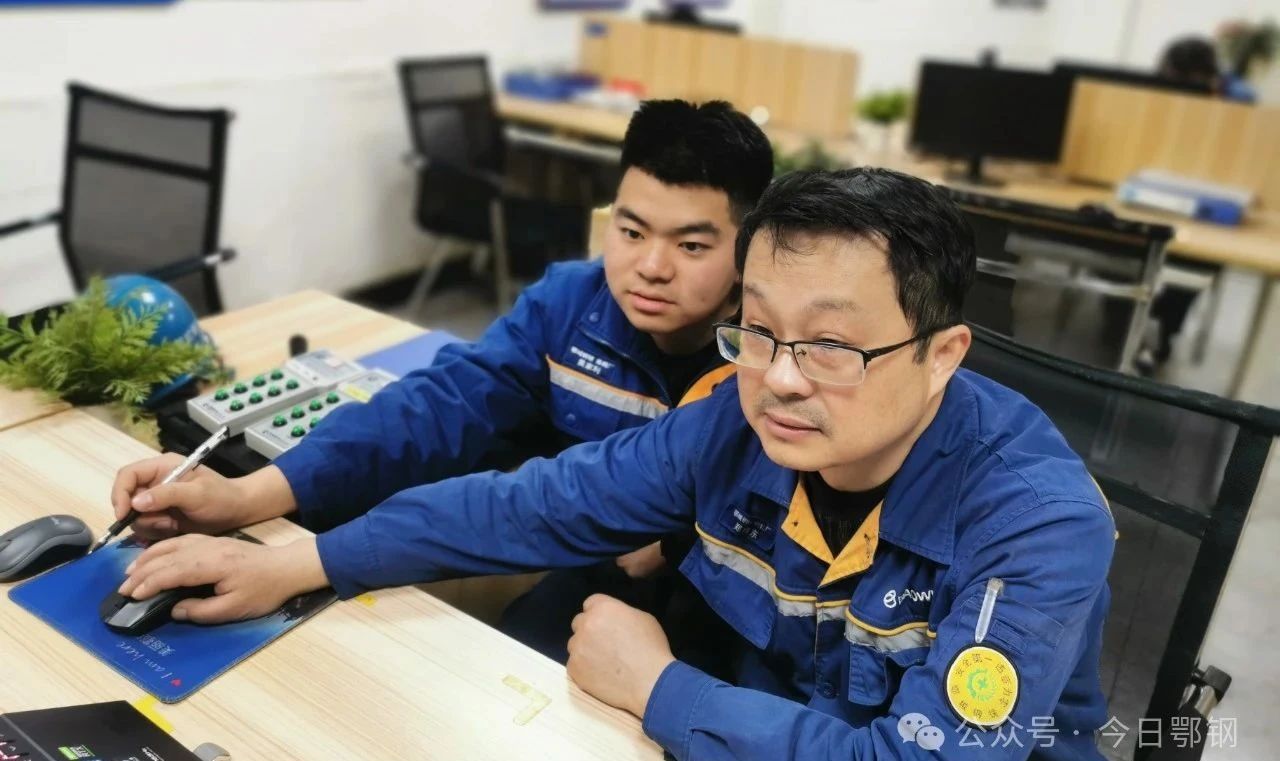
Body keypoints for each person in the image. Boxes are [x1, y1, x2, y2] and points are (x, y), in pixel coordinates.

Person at [115, 168, 1115, 761]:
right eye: (759, 330)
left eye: (828, 346)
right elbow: (531, 505)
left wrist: (658, 686)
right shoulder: (731, 422)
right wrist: (296, 561)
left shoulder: (1037, 520)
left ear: (941, 354)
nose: (778, 378)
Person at [109, 98, 773, 661]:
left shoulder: (770, 364)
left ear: (749, 252)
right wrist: (244, 495)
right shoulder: (573, 302)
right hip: (580, 543)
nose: (650, 266)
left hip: (730, 599)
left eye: (691, 245)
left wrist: (677, 541)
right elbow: (439, 406)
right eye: (630, 231)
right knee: (506, 652)